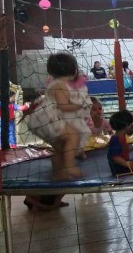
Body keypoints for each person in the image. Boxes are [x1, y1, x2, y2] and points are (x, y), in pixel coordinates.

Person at [22, 52, 92, 210]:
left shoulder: (59, 83)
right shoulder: (60, 84)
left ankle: (58, 173)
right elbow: (63, 106)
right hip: (46, 119)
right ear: (72, 69)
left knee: (60, 147)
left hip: (47, 119)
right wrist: (79, 106)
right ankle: (69, 167)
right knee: (73, 135)